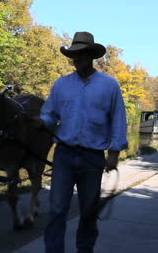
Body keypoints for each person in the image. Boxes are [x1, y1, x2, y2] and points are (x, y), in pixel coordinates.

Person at [33, 31, 128, 253]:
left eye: (82, 55)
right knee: (57, 209)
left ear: (91, 56)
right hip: (64, 155)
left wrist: (114, 153)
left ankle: (85, 249)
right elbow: (50, 114)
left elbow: (118, 119)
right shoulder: (61, 85)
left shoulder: (109, 85)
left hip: (92, 158)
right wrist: (41, 121)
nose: (77, 60)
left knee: (88, 210)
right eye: (74, 56)